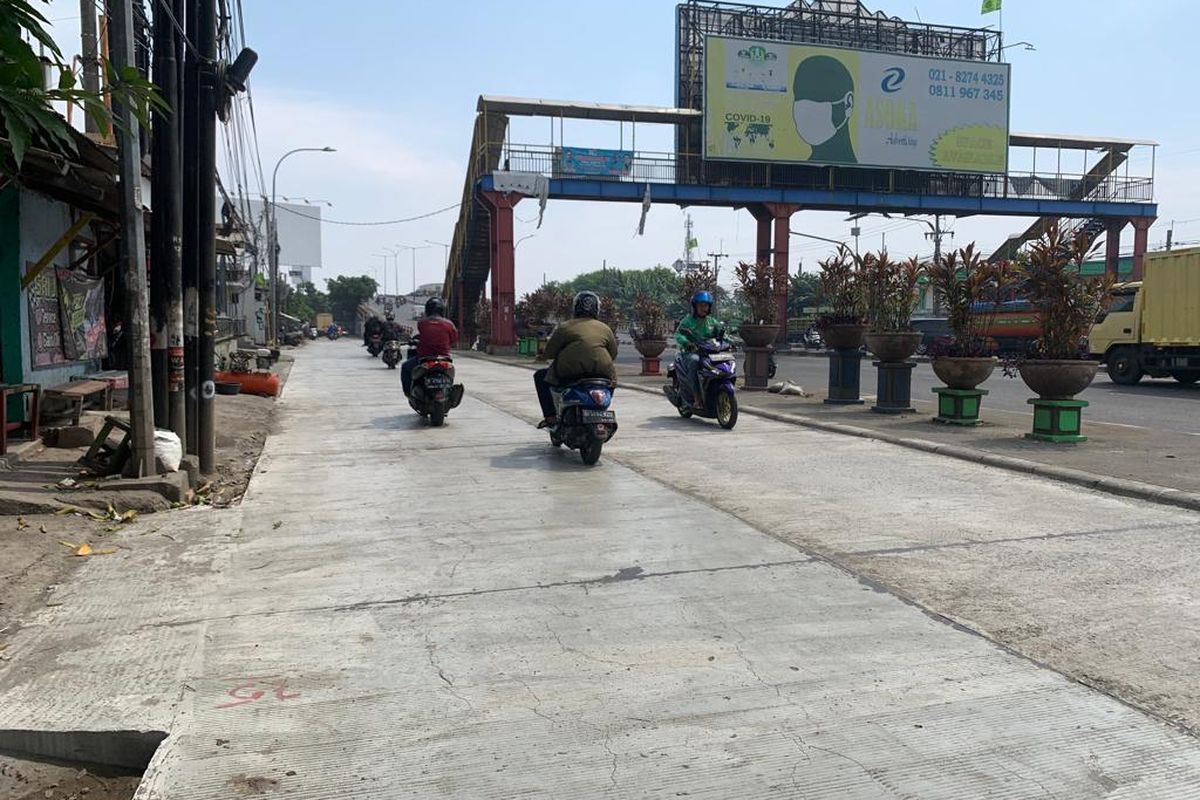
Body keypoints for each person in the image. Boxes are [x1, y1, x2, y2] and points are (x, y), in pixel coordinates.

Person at [534, 291, 618, 428]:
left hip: (571, 374)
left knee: (540, 376)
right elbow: (613, 354)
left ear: (575, 308)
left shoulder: (565, 327)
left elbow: (550, 352)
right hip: (603, 375)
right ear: (597, 309)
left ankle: (550, 417)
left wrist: (541, 356)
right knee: (612, 381)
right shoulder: (605, 328)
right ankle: (600, 408)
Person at [674, 290, 725, 406]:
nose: (704, 308)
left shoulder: (712, 321)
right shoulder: (688, 321)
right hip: (691, 352)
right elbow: (679, 334)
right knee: (695, 361)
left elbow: (723, 333)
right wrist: (687, 342)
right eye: (701, 305)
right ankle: (697, 397)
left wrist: (732, 341)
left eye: (706, 305)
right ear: (695, 306)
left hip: (709, 351)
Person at [403, 297, 459, 396]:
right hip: (444, 358)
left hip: (425, 358)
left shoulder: (422, 323)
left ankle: (408, 393)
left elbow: (423, 335)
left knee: (405, 367)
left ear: (427, 310)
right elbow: (454, 340)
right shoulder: (449, 324)